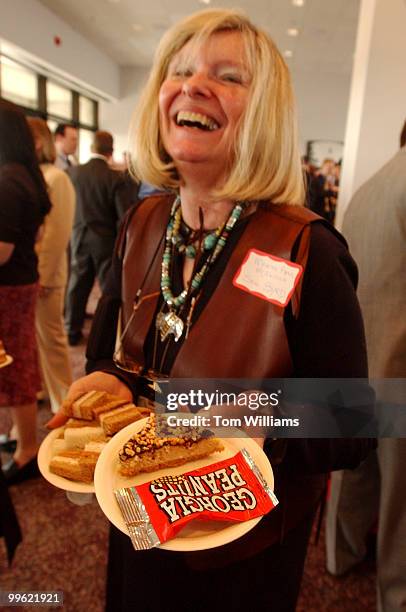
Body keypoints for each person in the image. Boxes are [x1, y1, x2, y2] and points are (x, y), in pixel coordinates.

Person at [49, 9, 373, 611]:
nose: (194, 85)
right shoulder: (142, 222)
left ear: (265, 115)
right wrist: (107, 381)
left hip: (239, 543)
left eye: (228, 76)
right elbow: (111, 355)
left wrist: (247, 416)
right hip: (138, 503)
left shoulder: (308, 249)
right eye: (180, 70)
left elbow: (355, 423)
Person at [326, 121, 406, 612]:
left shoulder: (367, 188)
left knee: (355, 473)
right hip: (401, 366)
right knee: (401, 497)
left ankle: (340, 554)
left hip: (359, 361)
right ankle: (395, 594)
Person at [0, 100, 52, 484]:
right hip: (22, 278)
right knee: (20, 359)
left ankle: (27, 448)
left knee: (14, 364)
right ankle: (22, 437)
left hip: (9, 284)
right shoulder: (27, 176)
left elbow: (1, 251)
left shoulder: (8, 180)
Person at [64, 130, 135, 346]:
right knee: (108, 290)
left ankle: (72, 330)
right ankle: (107, 334)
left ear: (92, 148)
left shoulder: (72, 173)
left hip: (78, 237)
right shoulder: (116, 178)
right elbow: (124, 215)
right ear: (111, 151)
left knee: (77, 285)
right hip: (105, 241)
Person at [28, 118, 76, 414]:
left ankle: (66, 402)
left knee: (53, 340)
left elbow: (57, 234)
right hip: (31, 274)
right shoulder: (33, 176)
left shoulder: (57, 178)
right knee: (35, 341)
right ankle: (44, 390)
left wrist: (42, 276)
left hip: (46, 275)